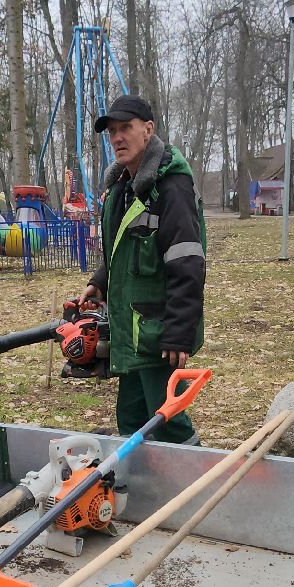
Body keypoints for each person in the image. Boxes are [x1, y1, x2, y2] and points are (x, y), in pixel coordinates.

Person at [81, 94, 206, 444]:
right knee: (131, 418)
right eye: (112, 132)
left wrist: (179, 332)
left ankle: (193, 484)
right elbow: (121, 250)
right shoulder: (121, 187)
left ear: (148, 130)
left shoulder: (172, 186)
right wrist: (101, 281)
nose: (117, 138)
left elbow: (188, 263)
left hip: (157, 331)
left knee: (169, 420)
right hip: (130, 331)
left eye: (126, 128)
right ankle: (141, 487)